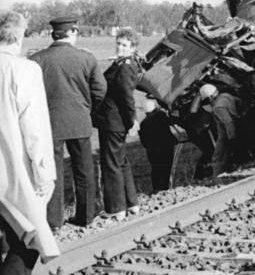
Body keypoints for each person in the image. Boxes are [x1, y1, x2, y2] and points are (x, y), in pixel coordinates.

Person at [0, 10, 59, 275]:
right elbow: (34, 128)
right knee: (28, 238)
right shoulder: (24, 70)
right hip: (13, 174)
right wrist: (44, 173)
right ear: (21, 35)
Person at [30, 16, 106, 229]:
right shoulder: (87, 58)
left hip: (49, 124)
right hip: (80, 122)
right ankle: (86, 215)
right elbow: (100, 90)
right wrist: (86, 108)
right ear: (72, 32)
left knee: (52, 172)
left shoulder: (37, 60)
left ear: (53, 34)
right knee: (84, 170)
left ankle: (53, 221)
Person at [92, 29, 143, 220]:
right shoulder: (123, 63)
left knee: (111, 163)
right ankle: (131, 204)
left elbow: (126, 98)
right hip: (116, 121)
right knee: (121, 162)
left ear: (132, 48)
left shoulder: (125, 67)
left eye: (124, 45)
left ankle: (116, 208)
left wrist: (132, 121)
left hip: (113, 122)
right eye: (118, 43)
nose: (120, 47)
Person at [198, 84, 242, 176]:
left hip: (228, 134)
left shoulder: (217, 107)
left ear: (210, 97)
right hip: (237, 126)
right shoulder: (225, 95)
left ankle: (217, 177)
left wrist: (232, 139)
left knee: (218, 158)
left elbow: (228, 123)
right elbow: (239, 102)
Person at [138, 98, 177, 192]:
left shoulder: (143, 124)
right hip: (165, 148)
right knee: (166, 169)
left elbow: (144, 141)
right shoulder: (160, 115)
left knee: (156, 169)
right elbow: (172, 121)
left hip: (152, 151)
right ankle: (166, 188)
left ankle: (157, 188)